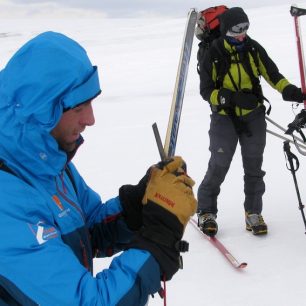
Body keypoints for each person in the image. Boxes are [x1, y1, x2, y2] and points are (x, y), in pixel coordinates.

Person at [0, 31, 197, 306]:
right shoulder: (7, 199)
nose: (90, 119)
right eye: (79, 106)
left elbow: (88, 230)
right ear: (42, 109)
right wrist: (159, 238)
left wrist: (138, 205)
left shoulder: (46, 162)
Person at [197, 7, 306, 237]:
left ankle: (253, 213)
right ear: (226, 30)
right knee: (219, 165)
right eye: (237, 30)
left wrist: (292, 91)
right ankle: (206, 211)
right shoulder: (213, 53)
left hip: (253, 116)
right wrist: (230, 97)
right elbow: (206, 91)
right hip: (224, 118)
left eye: (246, 29)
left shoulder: (253, 48)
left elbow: (273, 75)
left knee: (254, 167)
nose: (242, 35)